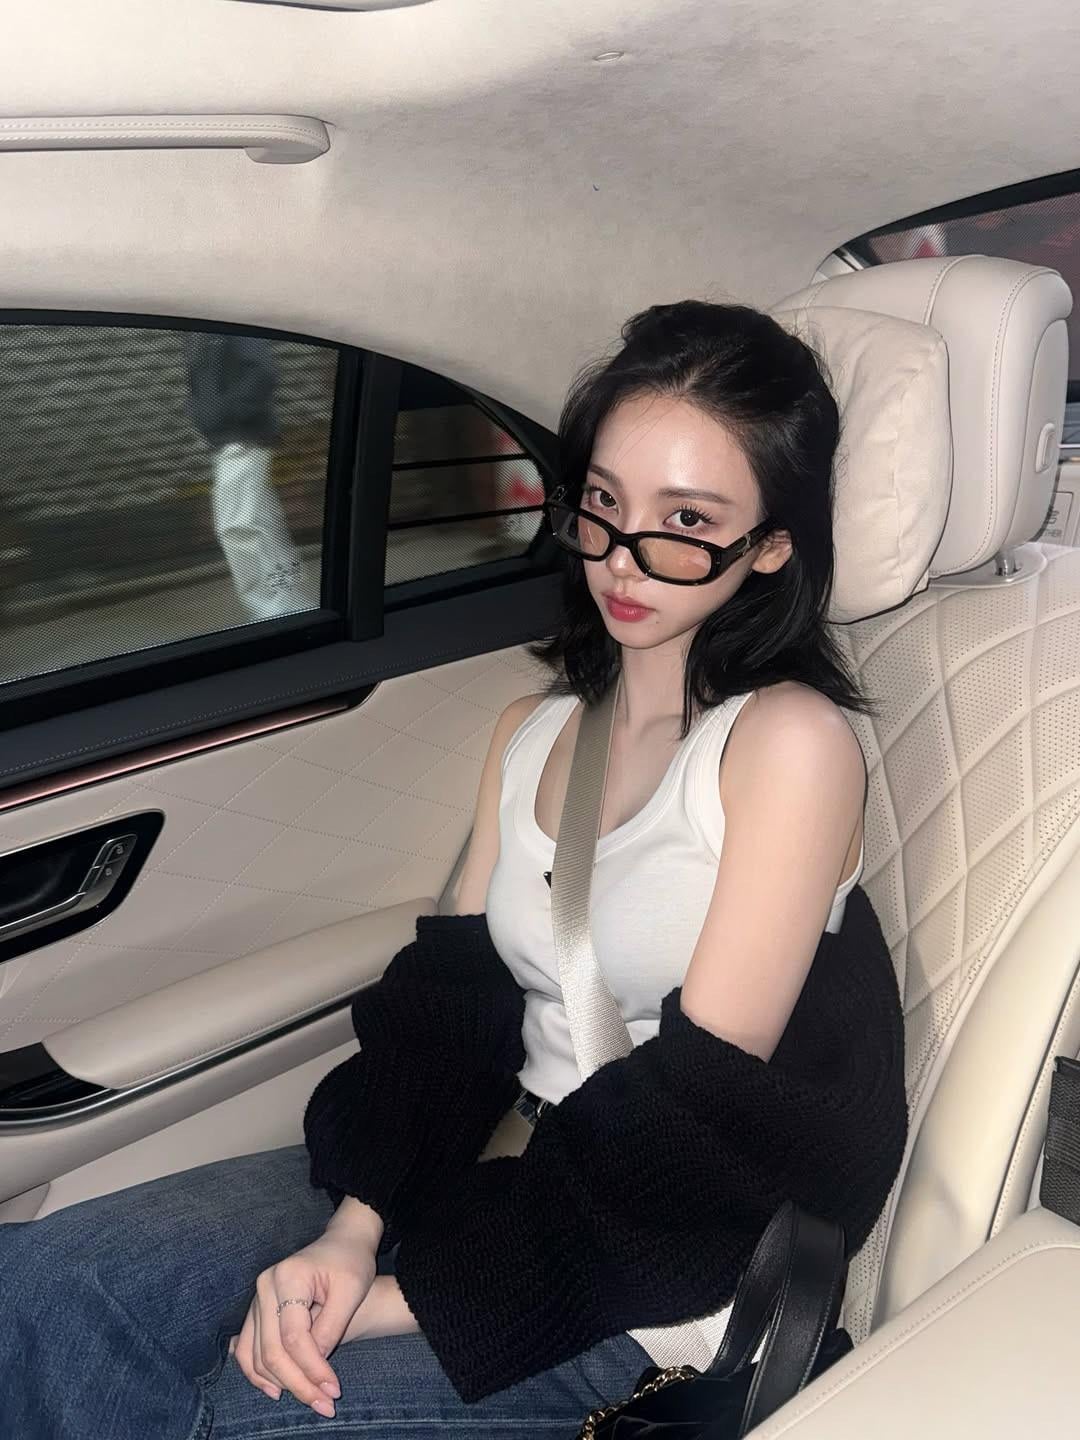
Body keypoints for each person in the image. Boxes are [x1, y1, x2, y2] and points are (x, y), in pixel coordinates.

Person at [0, 302, 908, 1439]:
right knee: (44, 1291)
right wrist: (356, 1229)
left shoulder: (789, 745)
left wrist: (402, 1299)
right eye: (604, 504)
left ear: (771, 546)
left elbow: (694, 1117)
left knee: (244, 1410)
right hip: (479, 1166)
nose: (622, 559)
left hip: (651, 1252)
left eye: (687, 522)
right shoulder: (534, 733)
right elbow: (446, 1013)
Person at [183, 333, 314, 621]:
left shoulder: (224, 324)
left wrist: (225, 415)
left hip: (241, 437)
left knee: (236, 527)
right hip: (230, 438)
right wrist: (201, 413)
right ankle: (294, 604)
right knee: (264, 525)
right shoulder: (195, 331)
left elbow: (263, 371)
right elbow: (196, 384)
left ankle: (270, 613)